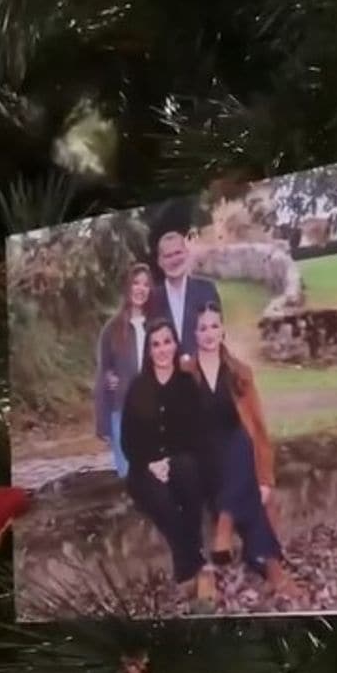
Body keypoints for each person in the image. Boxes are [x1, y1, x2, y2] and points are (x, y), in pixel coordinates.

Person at [189, 302, 295, 596]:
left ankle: (226, 521)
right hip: (205, 461)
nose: (209, 333)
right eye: (202, 328)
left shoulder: (240, 373)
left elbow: (258, 429)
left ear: (222, 330)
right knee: (239, 473)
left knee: (239, 444)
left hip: (237, 456)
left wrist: (265, 478)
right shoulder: (185, 373)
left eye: (214, 326)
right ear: (195, 334)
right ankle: (272, 569)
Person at [120, 318, 207, 592]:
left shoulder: (186, 384)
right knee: (164, 503)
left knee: (191, 476)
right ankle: (191, 564)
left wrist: (169, 460)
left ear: (175, 344)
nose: (162, 349)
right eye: (155, 344)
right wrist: (151, 463)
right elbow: (128, 440)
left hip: (180, 462)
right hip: (143, 467)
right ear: (148, 350)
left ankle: (189, 566)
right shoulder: (138, 387)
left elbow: (196, 434)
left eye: (167, 342)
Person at [93, 263, 152, 478]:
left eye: (146, 284)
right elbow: (103, 374)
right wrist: (103, 423)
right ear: (127, 287)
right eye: (136, 283)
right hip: (122, 411)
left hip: (153, 411)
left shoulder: (157, 324)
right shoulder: (112, 329)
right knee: (128, 476)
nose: (140, 288)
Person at [145, 199, 220, 356]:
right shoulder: (152, 298)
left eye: (178, 253)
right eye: (168, 256)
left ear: (186, 253)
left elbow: (218, 336)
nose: (174, 259)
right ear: (160, 262)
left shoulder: (207, 290)